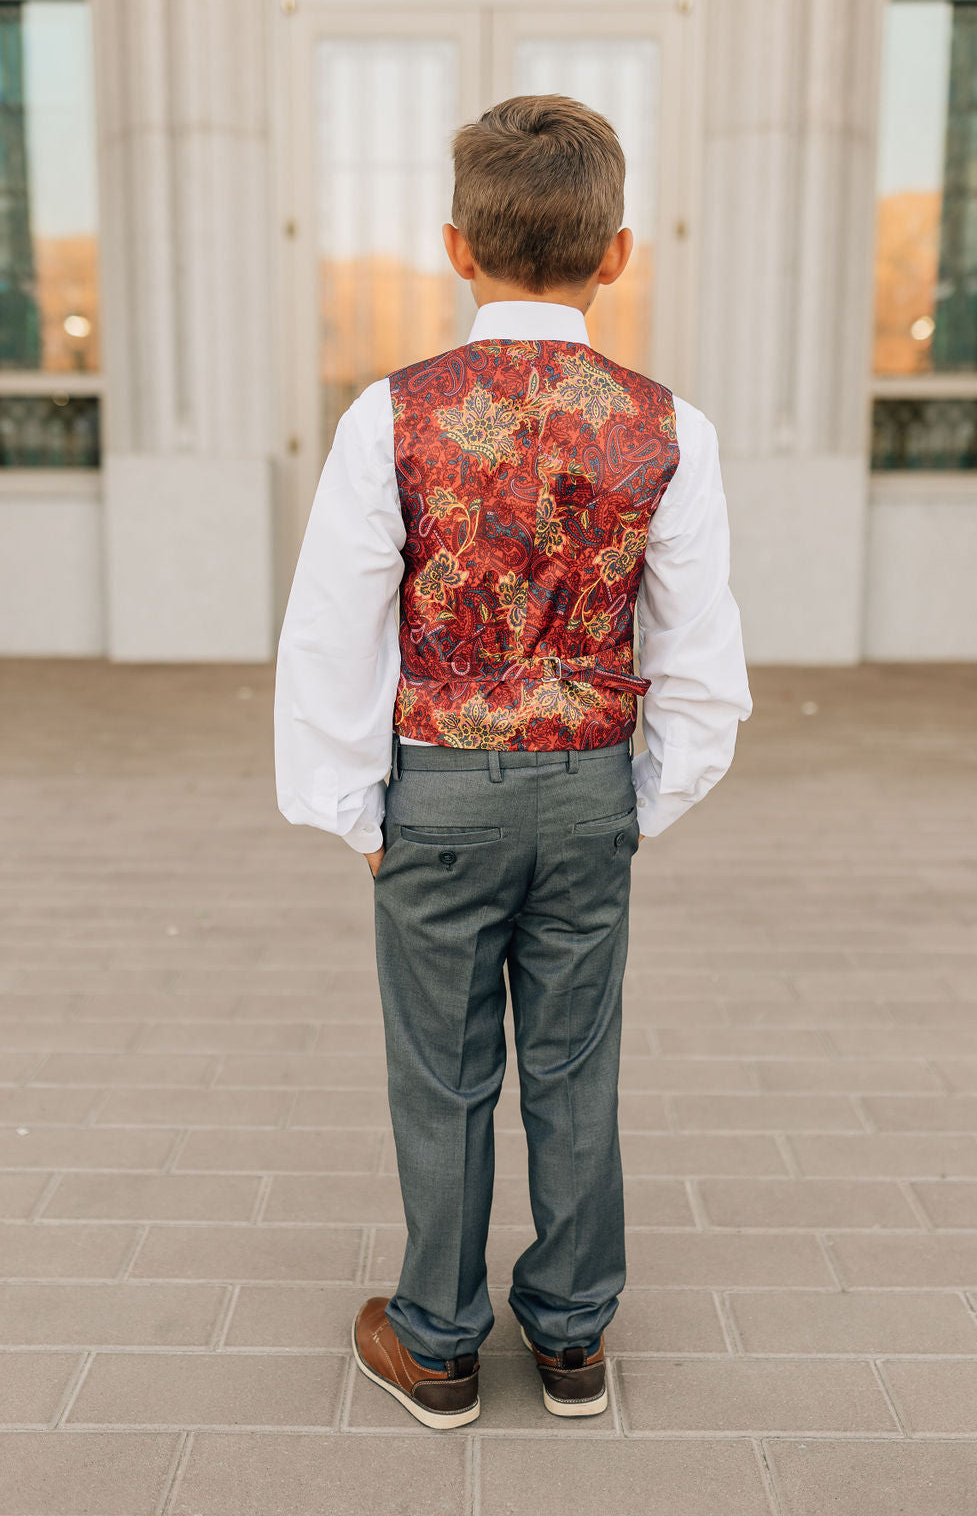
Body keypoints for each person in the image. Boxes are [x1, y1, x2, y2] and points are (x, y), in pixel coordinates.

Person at [274, 94, 752, 1431]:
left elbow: (335, 626)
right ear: (617, 254)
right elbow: (702, 661)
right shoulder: (670, 427)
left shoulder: (392, 416)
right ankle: (573, 1338)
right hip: (590, 783)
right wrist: (640, 800)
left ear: (453, 245)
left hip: (434, 786)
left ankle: (433, 1341)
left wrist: (352, 810)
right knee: (574, 1063)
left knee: (441, 1072)